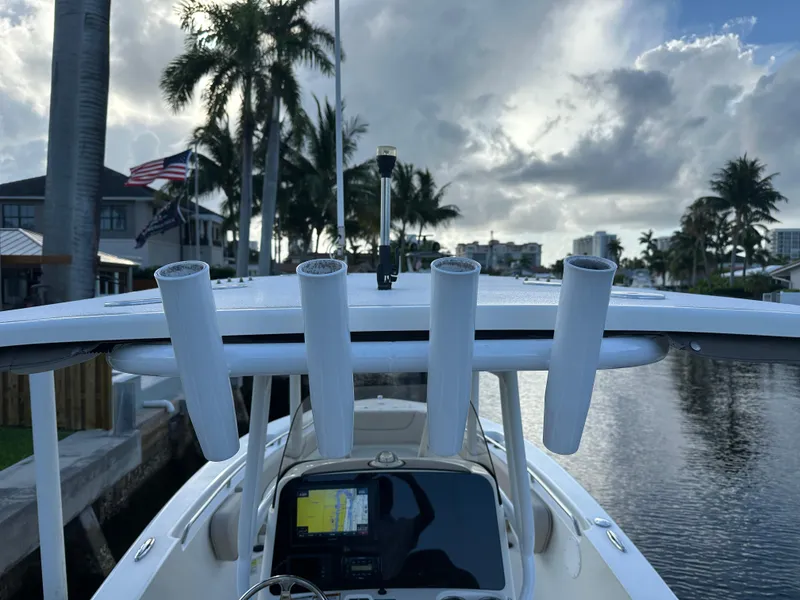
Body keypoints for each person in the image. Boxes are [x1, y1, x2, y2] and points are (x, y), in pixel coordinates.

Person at [377, 473, 434, 582]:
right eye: (378, 494)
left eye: (388, 494)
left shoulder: (402, 529)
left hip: (394, 589)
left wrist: (411, 482)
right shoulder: (352, 528)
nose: (384, 498)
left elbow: (428, 515)